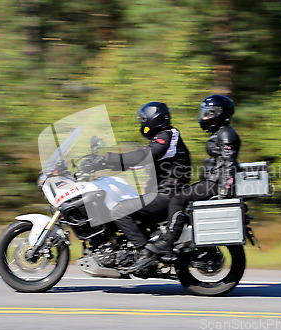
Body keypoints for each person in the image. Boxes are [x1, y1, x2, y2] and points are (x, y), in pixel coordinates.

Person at [129, 95, 240, 272]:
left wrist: (225, 188)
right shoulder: (220, 132)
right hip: (212, 181)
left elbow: (229, 162)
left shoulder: (226, 133)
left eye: (209, 113)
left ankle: (168, 242)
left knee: (179, 196)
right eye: (204, 112)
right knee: (181, 195)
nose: (204, 116)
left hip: (215, 183)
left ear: (219, 113)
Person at [82, 101, 191, 265]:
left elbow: (143, 156)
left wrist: (107, 159)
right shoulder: (161, 138)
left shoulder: (168, 136)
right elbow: (132, 163)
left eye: (143, 120)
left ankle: (144, 253)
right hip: (161, 193)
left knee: (119, 210)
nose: (142, 124)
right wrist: (101, 164)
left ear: (154, 119)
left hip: (169, 195)